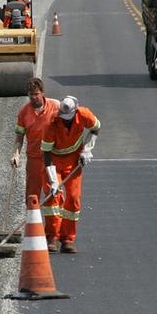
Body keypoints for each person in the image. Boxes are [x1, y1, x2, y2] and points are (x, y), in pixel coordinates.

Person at [41, 95, 100, 254]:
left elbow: (96, 129)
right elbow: (46, 153)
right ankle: (51, 237)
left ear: (75, 111)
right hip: (53, 161)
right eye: (63, 117)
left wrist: (87, 149)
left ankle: (67, 239)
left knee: (73, 199)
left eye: (68, 118)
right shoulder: (51, 123)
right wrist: (53, 180)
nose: (65, 120)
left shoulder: (84, 114)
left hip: (73, 161)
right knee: (53, 198)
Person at [11, 78, 61, 250]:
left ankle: (52, 236)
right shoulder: (24, 112)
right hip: (33, 159)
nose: (33, 98)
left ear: (42, 93)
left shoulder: (55, 106)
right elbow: (19, 136)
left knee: (52, 196)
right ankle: (34, 232)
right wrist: (16, 154)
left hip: (52, 160)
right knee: (32, 197)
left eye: (36, 94)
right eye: (30, 95)